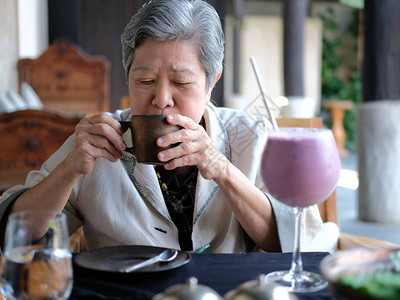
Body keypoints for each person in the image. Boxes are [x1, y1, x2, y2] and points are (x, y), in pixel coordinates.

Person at [0, 0, 323, 253]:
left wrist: (221, 169)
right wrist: (68, 171)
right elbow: (17, 231)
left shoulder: (252, 136)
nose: (161, 99)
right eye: (145, 80)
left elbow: (299, 240)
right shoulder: (96, 141)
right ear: (128, 77)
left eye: (181, 82)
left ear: (212, 84)